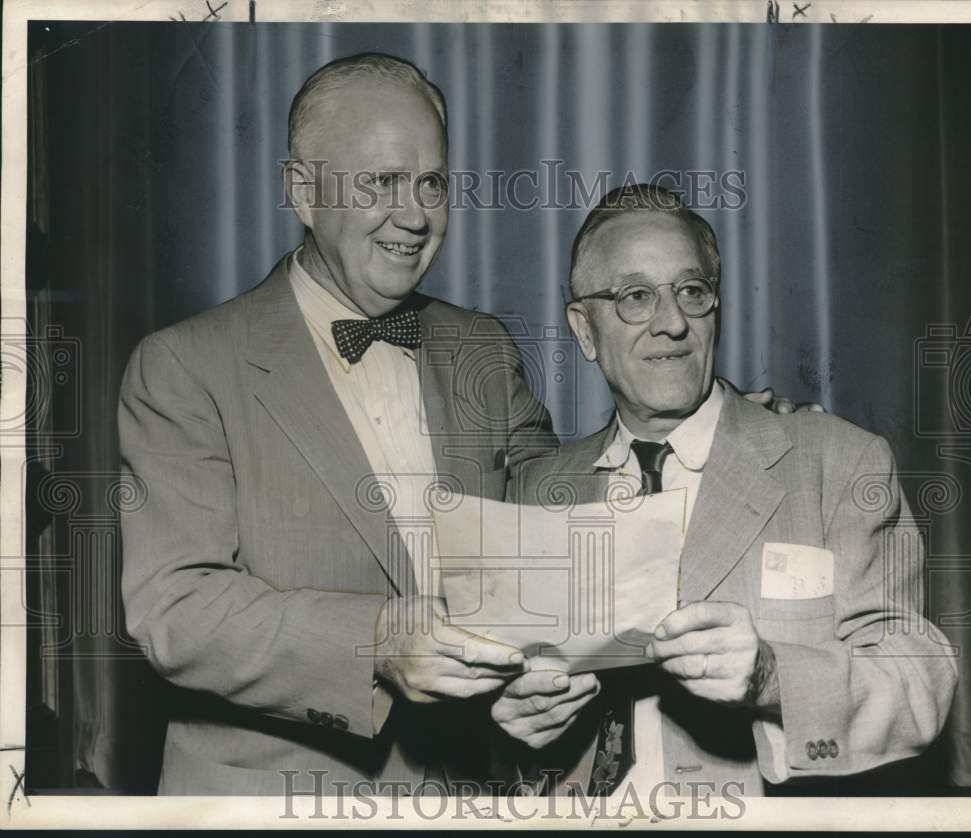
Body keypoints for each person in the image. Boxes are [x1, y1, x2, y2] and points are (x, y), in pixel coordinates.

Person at [119, 53, 808, 796]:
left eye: (432, 184)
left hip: (472, 793)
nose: (415, 216)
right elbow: (176, 608)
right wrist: (378, 640)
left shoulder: (479, 345)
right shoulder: (184, 367)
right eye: (381, 182)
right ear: (301, 190)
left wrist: (714, 422)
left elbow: (566, 512)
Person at [494, 183, 959, 798]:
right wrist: (509, 720)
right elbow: (496, 711)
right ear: (584, 331)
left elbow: (919, 681)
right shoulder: (534, 490)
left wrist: (773, 676)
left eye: (692, 291)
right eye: (635, 296)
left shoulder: (836, 462)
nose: (672, 323)